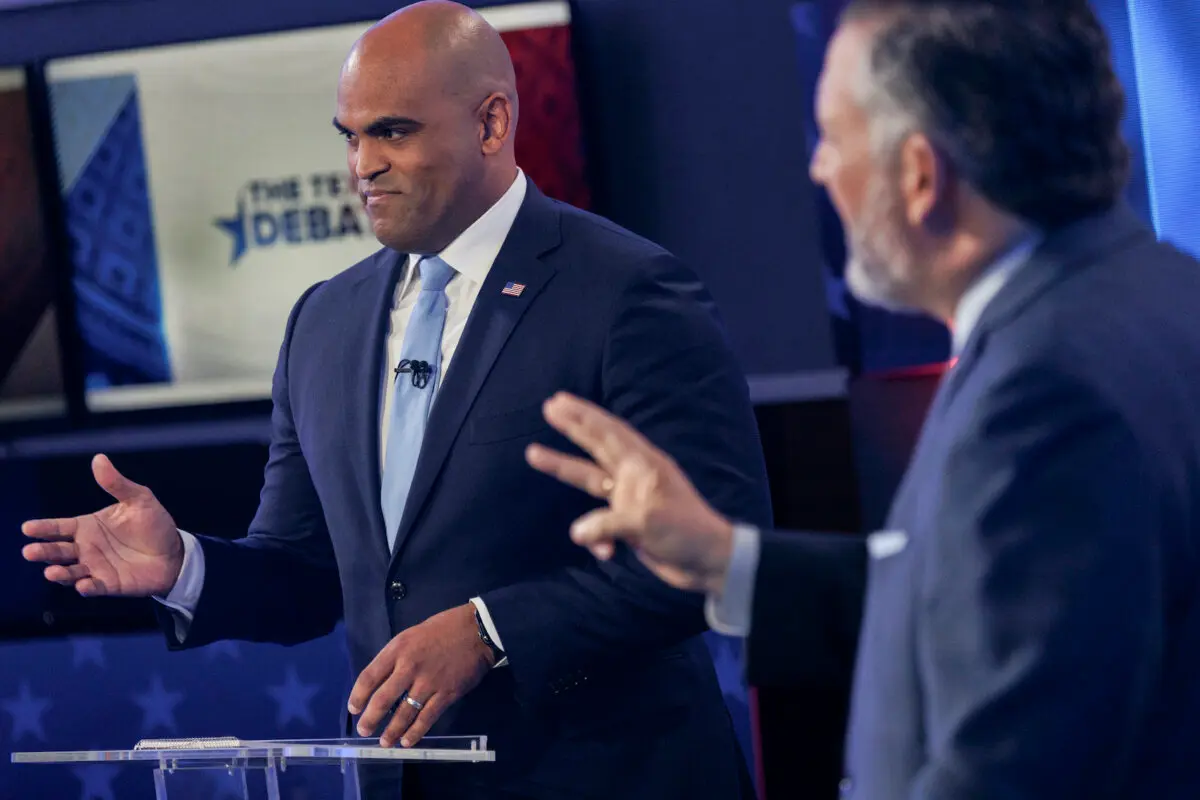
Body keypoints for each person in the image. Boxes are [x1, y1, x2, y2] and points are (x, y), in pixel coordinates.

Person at [20, 3, 772, 798]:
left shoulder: (627, 294)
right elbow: (309, 572)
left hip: (606, 776)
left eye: (393, 131)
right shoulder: (323, 322)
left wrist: (491, 632)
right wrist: (186, 567)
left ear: (490, 124)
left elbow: (720, 554)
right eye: (350, 135)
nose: (362, 164)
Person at [525, 1, 1200, 798]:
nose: (819, 169)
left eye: (833, 137)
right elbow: (987, 603)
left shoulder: (1041, 390)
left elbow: (1012, 768)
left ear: (919, 175)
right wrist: (726, 560)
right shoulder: (1154, 293)